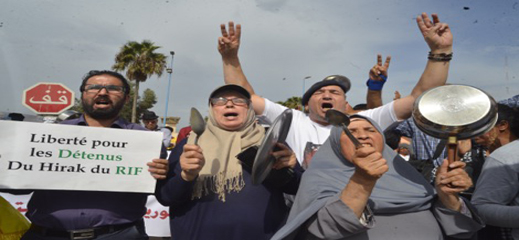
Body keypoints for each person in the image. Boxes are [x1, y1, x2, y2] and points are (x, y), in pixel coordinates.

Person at [218, 13, 453, 167]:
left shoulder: (364, 121)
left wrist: (440, 53)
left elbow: (418, 98)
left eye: (336, 92)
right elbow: (244, 97)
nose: (328, 95)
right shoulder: (291, 119)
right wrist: (230, 58)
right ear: (307, 105)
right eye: (319, 93)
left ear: (346, 103)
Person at [271, 115, 483, 240]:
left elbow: (459, 231)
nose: (362, 135)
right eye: (351, 131)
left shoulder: (409, 179)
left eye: (370, 130)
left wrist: (448, 197)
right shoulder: (318, 180)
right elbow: (326, 229)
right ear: (335, 144)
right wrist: (363, 180)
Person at [17, 70, 169, 240]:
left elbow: (166, 195)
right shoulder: (48, 137)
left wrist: (162, 175)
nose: (102, 92)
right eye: (93, 87)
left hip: (119, 235)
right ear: (82, 95)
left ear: (126, 98)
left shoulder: (147, 141)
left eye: (113, 88)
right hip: (46, 234)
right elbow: (17, 187)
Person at [155, 84, 303, 240]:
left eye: (239, 100)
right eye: (220, 100)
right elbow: (166, 197)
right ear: (212, 109)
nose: (229, 104)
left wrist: (290, 168)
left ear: (250, 108)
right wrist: (186, 176)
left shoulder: (272, 143)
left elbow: (299, 189)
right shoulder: (188, 146)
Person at [471, 105, 519, 240]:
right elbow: (481, 207)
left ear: (503, 125)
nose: (474, 132)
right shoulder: (503, 157)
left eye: (481, 125)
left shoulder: (504, 156)